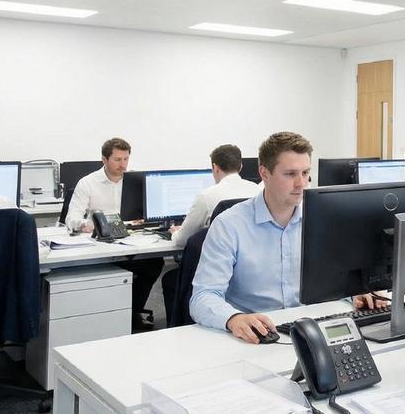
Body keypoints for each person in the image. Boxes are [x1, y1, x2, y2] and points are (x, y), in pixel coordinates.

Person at [190, 131, 384, 343]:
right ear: (264, 173)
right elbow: (203, 297)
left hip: (310, 331)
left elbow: (336, 278)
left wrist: (353, 293)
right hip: (258, 336)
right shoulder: (229, 225)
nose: (301, 183)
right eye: (290, 174)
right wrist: (233, 318)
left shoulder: (322, 219)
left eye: (305, 173)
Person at [65, 137, 163, 331]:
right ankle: (111, 313)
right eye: (117, 159)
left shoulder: (135, 180)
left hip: (132, 240)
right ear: (104, 159)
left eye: (126, 159)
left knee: (154, 263)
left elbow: (149, 210)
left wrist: (145, 219)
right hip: (102, 244)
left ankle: (133, 310)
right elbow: (71, 219)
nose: (123, 165)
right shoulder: (88, 183)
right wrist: (90, 224)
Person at [169, 144, 261, 249]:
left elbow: (181, 240)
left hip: (220, 257)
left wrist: (175, 233)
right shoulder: (257, 190)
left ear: (215, 167)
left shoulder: (206, 196)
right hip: (253, 255)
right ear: (241, 166)